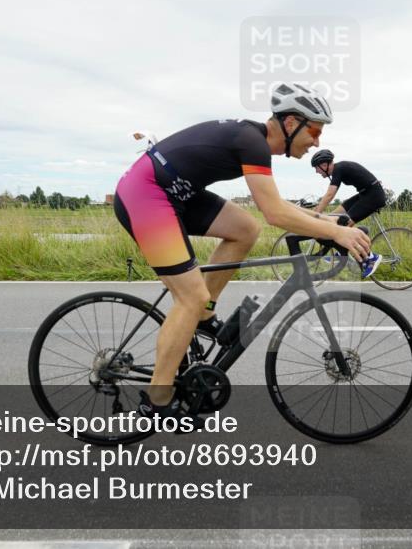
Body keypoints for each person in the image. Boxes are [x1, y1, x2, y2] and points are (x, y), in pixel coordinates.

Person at [112, 82, 372, 419]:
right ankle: (156, 402)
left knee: (245, 229)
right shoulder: (252, 142)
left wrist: (326, 221)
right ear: (291, 123)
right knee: (188, 296)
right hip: (145, 194)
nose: (317, 143)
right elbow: (275, 213)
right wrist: (335, 234)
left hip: (176, 194)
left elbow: (277, 205)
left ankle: (204, 316)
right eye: (315, 131)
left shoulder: (254, 142)